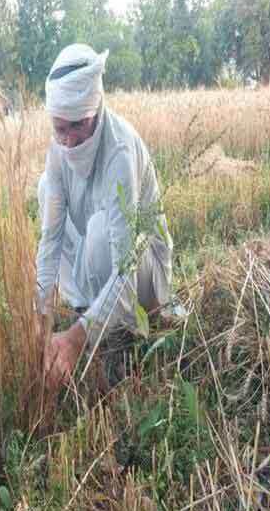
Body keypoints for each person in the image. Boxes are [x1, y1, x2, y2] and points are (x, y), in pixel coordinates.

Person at [35, 44, 173, 393]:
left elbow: (126, 268)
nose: (67, 142)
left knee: (98, 231)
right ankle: (91, 313)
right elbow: (50, 241)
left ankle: (114, 336)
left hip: (144, 280)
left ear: (94, 112)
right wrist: (40, 318)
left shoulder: (119, 152)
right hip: (102, 268)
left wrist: (75, 338)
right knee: (44, 189)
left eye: (76, 128)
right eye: (59, 129)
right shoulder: (58, 151)